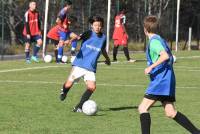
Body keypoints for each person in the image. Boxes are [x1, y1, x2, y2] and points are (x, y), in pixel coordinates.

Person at [138, 15, 200, 134]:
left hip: (160, 81)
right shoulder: (160, 39)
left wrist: (151, 66)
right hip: (168, 80)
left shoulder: (154, 42)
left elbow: (165, 56)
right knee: (170, 112)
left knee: (143, 108)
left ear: (145, 29)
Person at [59, 15, 111, 112]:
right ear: (92, 25)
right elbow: (78, 38)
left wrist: (107, 59)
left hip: (90, 67)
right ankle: (64, 91)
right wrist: (69, 41)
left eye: (99, 25)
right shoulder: (88, 33)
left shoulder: (103, 38)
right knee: (68, 84)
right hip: (80, 64)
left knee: (92, 87)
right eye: (95, 25)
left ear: (102, 26)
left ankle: (79, 107)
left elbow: (102, 49)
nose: (97, 27)